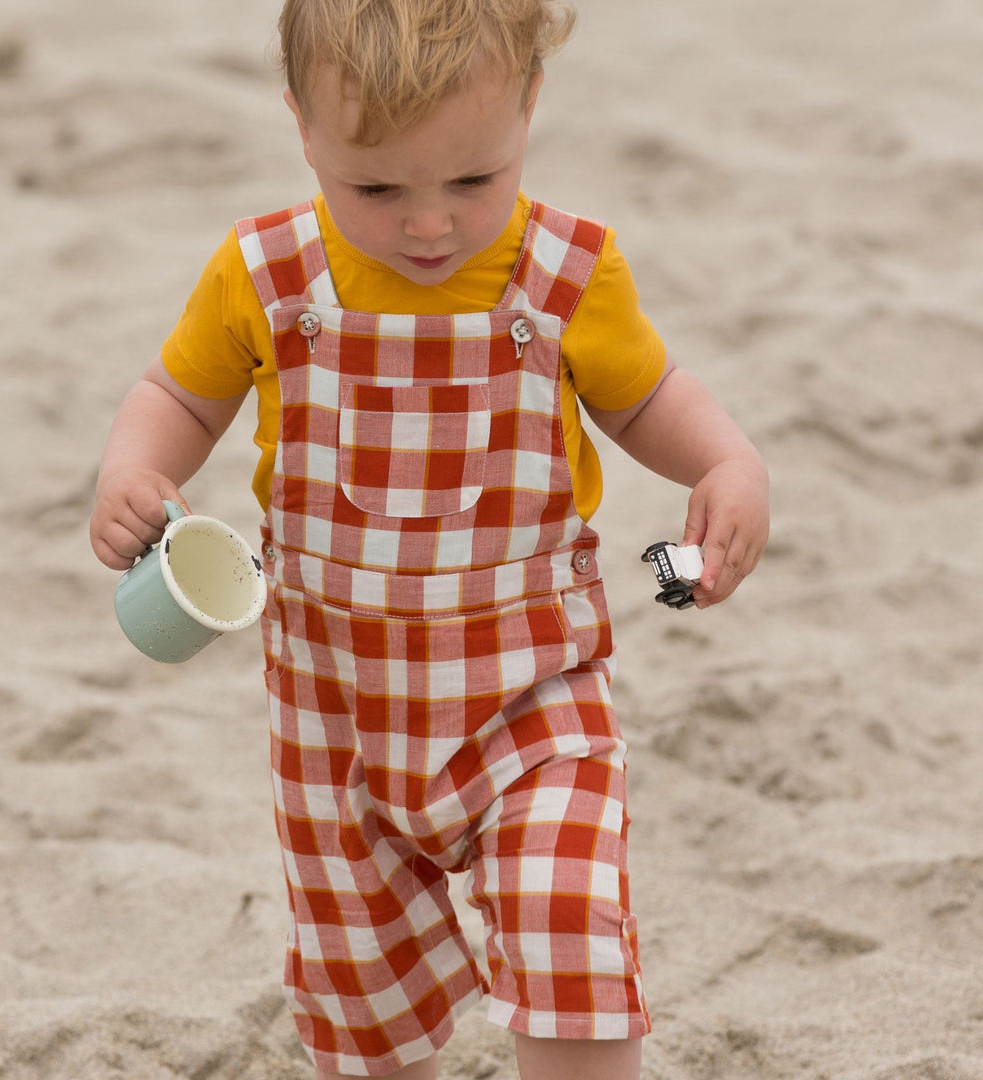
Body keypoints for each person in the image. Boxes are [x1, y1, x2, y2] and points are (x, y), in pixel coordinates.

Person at [89, 1, 770, 1076]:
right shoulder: (267, 273)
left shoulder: (562, 273)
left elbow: (649, 401)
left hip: (533, 694)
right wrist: (137, 470)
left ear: (531, 109)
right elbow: (177, 392)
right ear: (301, 127)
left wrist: (727, 464)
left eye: (471, 182)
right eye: (376, 188)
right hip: (338, 720)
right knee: (359, 994)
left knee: (568, 930)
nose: (428, 227)